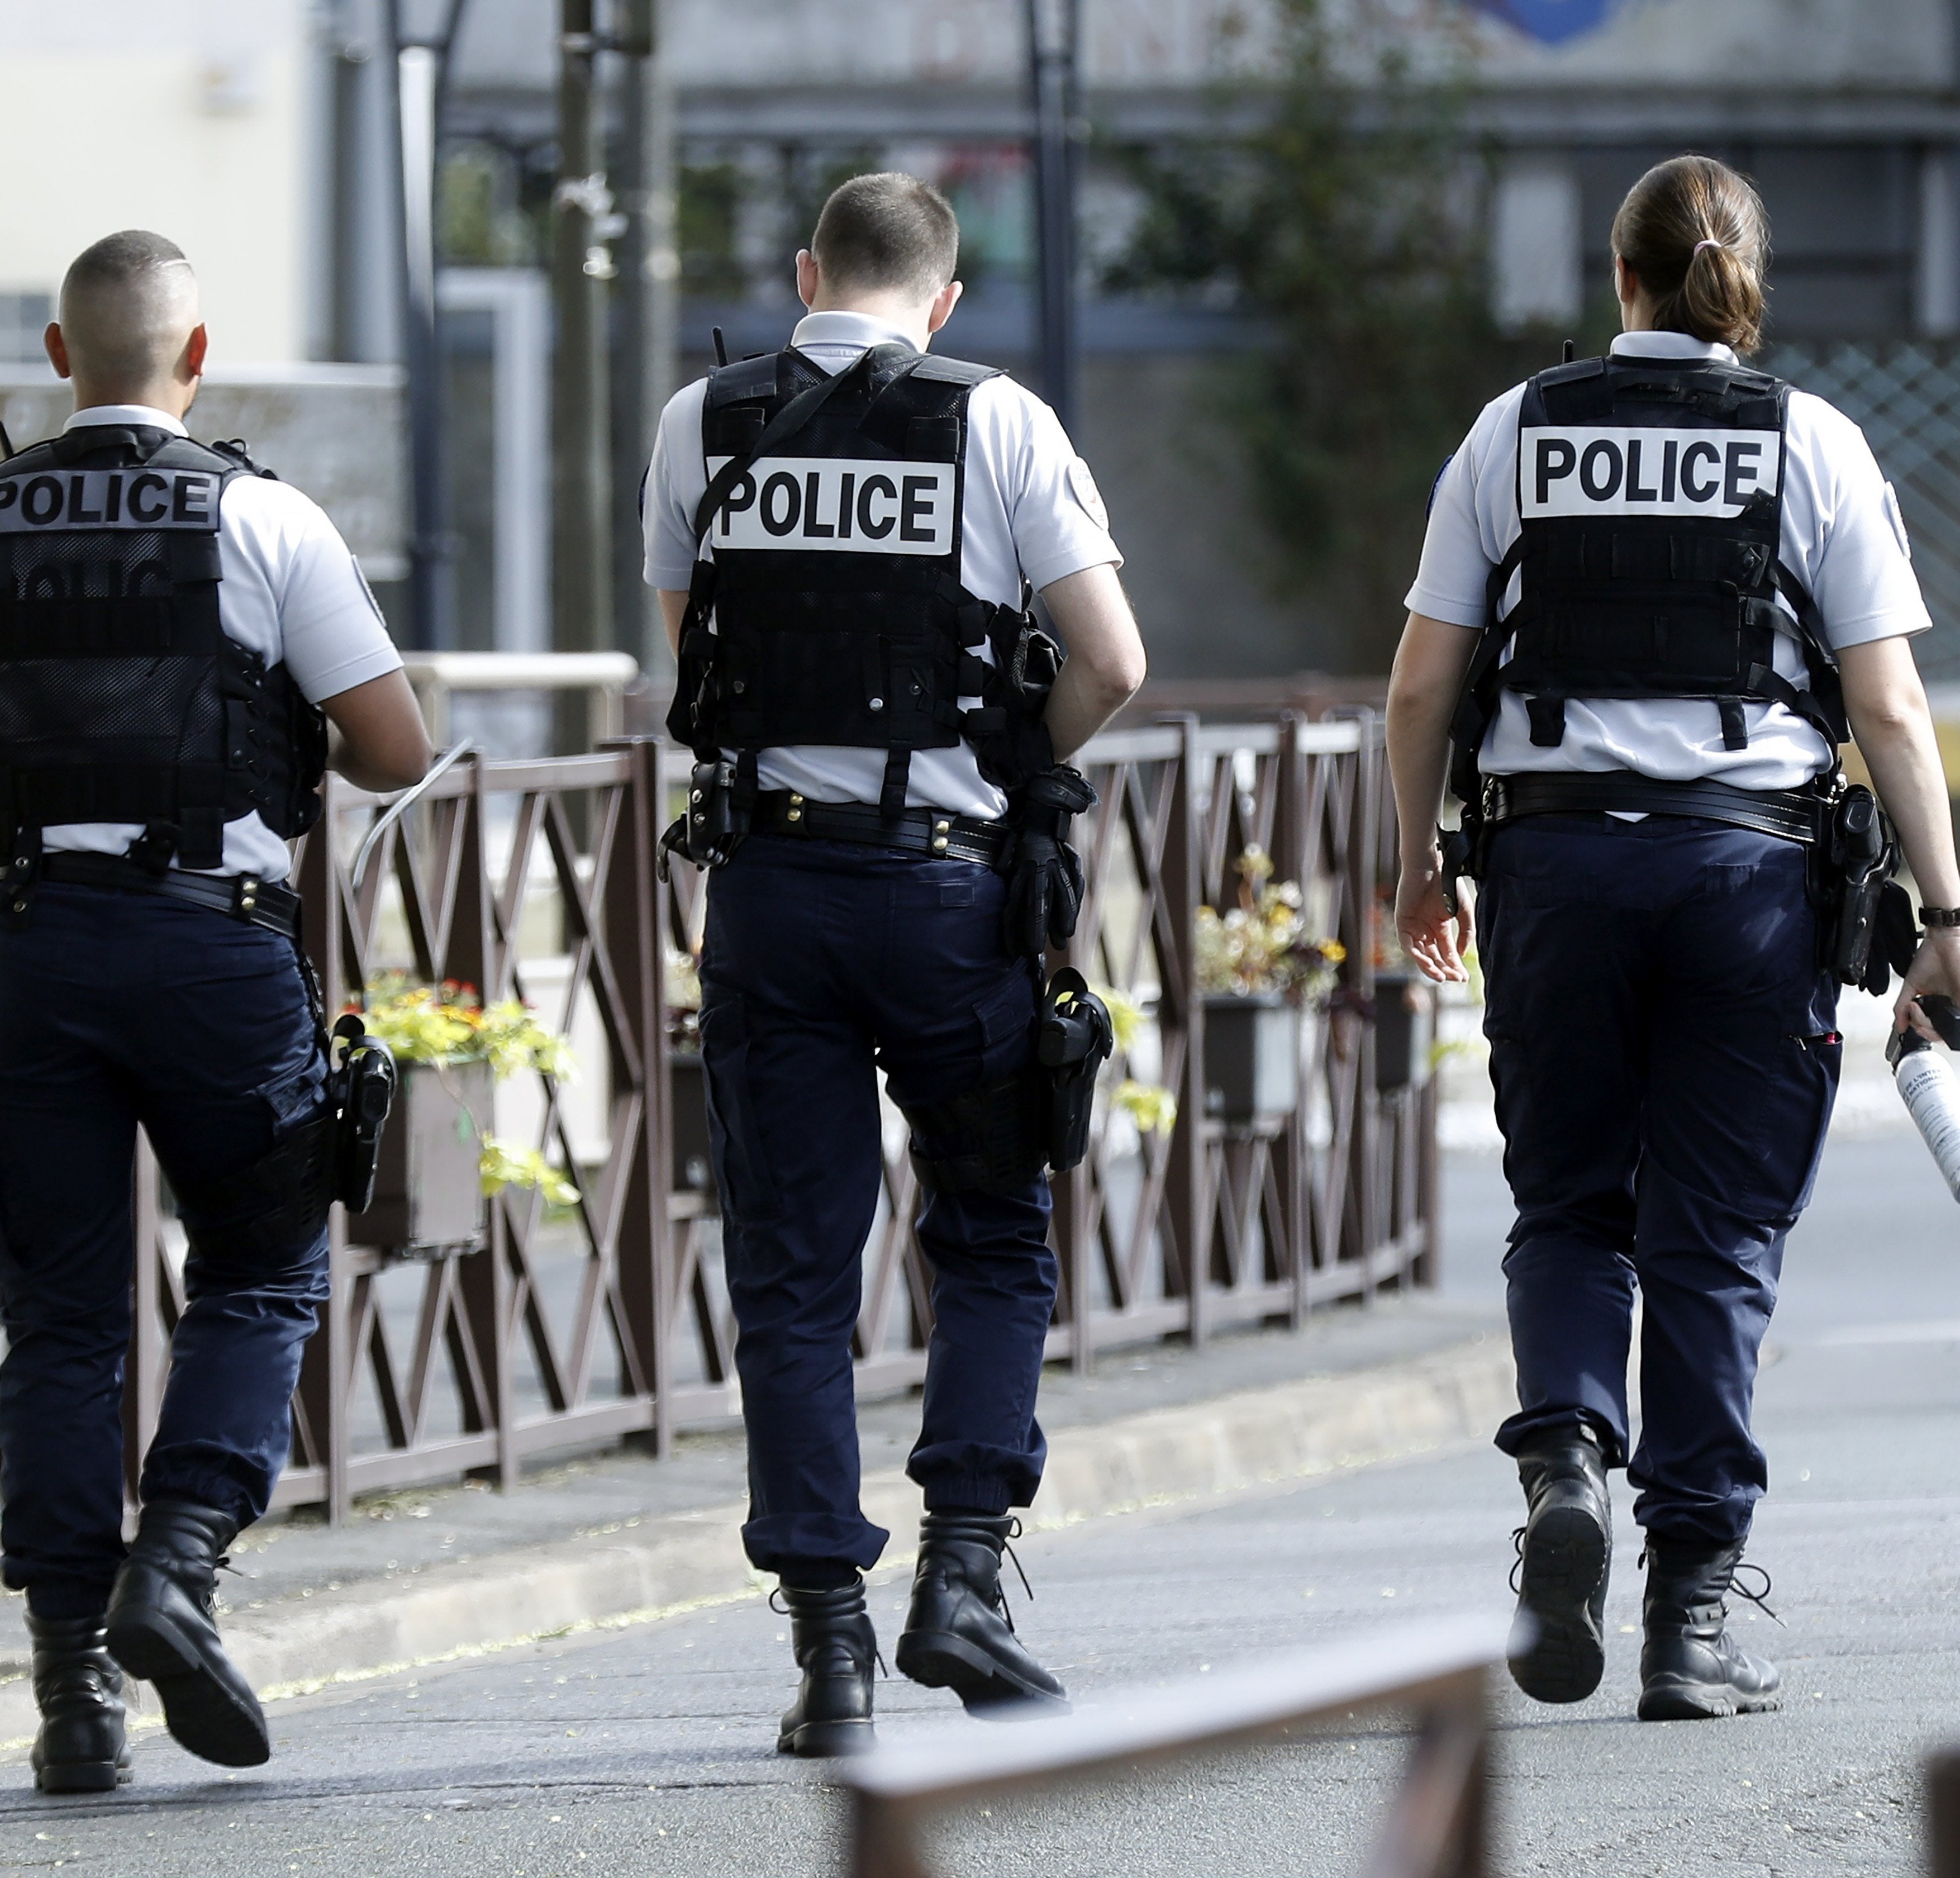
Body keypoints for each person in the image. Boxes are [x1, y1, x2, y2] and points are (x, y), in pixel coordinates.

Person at [1384, 156, 1960, 1722]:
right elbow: (1892, 704)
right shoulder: (1814, 443)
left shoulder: (1511, 435)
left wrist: (1420, 862)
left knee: (1572, 1205)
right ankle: (1692, 1615)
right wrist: (1951, 918)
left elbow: (1419, 690)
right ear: (1741, 285)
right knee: (1712, 1245)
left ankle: (1568, 1453)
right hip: (1747, 881)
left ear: (1621, 278)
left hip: (1556, 870)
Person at [0, 230, 432, 1790]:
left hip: (31, 949)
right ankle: (175, 1565)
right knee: (257, 1268)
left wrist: (32, 776)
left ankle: (69, 1696)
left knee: (58, 1317)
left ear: (56, 356)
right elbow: (397, 749)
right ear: (199, 354)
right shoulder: (269, 521)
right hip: (214, 949)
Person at [644, 173, 1147, 1755]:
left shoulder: (702, 420)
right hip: (948, 897)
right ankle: (966, 1579)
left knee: (793, 1276)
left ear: (806, 275)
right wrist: (1009, 766)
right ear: (940, 301)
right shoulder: (997, 419)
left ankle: (831, 1651)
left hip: (772, 893)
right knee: (993, 1234)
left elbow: (694, 664)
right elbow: (1116, 660)